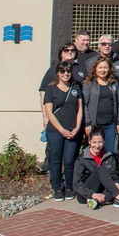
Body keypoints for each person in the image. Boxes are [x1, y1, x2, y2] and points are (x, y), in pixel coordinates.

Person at [43, 62, 83, 201]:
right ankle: (57, 188)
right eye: (63, 71)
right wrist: (62, 130)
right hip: (56, 131)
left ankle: (69, 187)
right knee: (55, 160)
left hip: (72, 130)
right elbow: (49, 112)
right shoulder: (51, 89)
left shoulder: (75, 87)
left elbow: (79, 110)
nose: (66, 74)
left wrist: (77, 127)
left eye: (68, 71)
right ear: (58, 73)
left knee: (70, 160)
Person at [73, 127, 119, 209]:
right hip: (87, 193)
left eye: (100, 142)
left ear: (104, 141)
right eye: (94, 142)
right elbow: (76, 184)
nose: (97, 145)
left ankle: (100, 200)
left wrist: (116, 182)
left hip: (105, 189)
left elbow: (113, 174)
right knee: (101, 169)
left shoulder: (109, 156)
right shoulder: (81, 159)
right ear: (89, 142)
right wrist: (92, 194)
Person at [83, 57, 119, 155]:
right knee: (95, 152)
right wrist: (87, 123)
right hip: (94, 124)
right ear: (95, 69)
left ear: (109, 69)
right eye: (100, 67)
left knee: (109, 152)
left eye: (105, 67)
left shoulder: (114, 83)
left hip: (110, 124)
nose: (103, 70)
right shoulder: (89, 84)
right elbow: (85, 104)